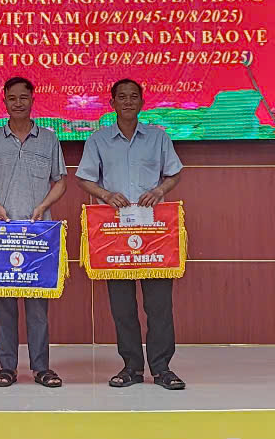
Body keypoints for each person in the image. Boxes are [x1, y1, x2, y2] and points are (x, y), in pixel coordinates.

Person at [76, 78, 186, 391]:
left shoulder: (158, 137)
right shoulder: (98, 139)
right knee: (122, 306)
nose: (127, 102)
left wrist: (159, 190)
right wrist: (106, 195)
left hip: (154, 232)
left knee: (159, 305)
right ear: (112, 103)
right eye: (121, 97)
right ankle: (131, 367)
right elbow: (84, 178)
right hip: (115, 233)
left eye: (133, 96)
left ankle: (162, 368)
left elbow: (174, 172)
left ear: (141, 102)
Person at [0, 76, 67, 389]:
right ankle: (7, 368)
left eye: (23, 98)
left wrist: (44, 206)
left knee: (38, 305)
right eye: (12, 98)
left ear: (32, 100)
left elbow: (61, 181)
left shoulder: (49, 139)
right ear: (4, 101)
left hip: (38, 234)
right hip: (1, 233)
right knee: (4, 305)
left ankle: (42, 368)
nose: (18, 103)